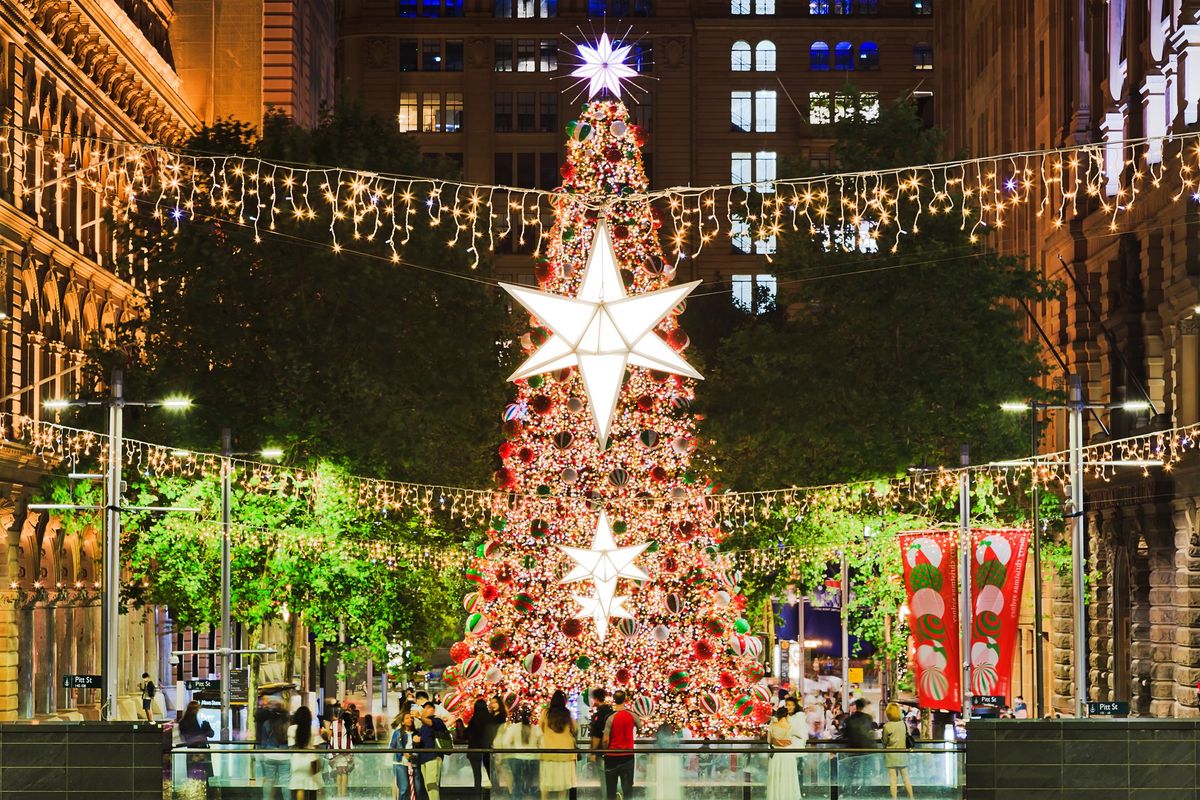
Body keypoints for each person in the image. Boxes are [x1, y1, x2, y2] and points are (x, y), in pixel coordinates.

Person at [496, 705, 540, 800]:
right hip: (533, 759)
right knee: (530, 783)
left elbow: (505, 742)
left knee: (517, 782)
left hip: (516, 759)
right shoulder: (536, 729)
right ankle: (529, 794)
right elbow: (542, 744)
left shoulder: (514, 728)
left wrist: (511, 751)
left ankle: (517, 797)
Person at [539, 690, 577, 800]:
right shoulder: (568, 714)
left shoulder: (546, 713)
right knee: (563, 787)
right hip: (566, 753)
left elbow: (540, 728)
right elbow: (575, 729)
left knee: (546, 784)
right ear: (564, 701)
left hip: (548, 752)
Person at [601, 690, 636, 800]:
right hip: (628, 756)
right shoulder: (632, 715)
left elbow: (605, 740)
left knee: (611, 790)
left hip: (612, 757)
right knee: (628, 791)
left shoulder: (610, 717)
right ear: (625, 699)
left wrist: (604, 751)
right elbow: (639, 726)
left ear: (614, 700)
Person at [255, 698, 292, 800]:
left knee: (269, 781)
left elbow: (263, 741)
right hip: (285, 756)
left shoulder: (267, 723)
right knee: (285, 782)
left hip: (269, 755)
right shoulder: (288, 724)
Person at [415, 701, 451, 800]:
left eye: (427, 708)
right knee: (428, 785)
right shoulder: (423, 725)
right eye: (424, 708)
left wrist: (419, 717)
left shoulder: (437, 721)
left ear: (433, 710)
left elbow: (431, 723)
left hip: (433, 756)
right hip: (424, 758)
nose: (424, 711)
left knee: (432, 784)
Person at [880, 703, 914, 800]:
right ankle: (912, 798)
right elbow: (908, 736)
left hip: (891, 755)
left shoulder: (887, 726)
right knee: (906, 778)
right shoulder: (904, 724)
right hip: (902, 754)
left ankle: (894, 799)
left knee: (893, 780)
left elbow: (885, 741)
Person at [289, 705, 324, 800]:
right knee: (312, 786)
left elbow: (291, 746)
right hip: (311, 760)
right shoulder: (313, 729)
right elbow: (317, 745)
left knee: (300, 787)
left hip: (297, 761)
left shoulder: (291, 729)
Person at [767, 707, 801, 800]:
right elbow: (801, 736)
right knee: (788, 777)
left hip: (776, 754)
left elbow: (768, 740)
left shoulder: (772, 726)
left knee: (776, 777)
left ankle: (776, 797)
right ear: (786, 715)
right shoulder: (791, 726)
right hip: (788, 754)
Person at [467, 697, 498, 797]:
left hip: (474, 749)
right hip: (487, 749)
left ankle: (477, 796)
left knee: (477, 776)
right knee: (492, 775)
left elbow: (468, 734)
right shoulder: (490, 720)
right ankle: (495, 795)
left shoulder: (473, 721)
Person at [178, 700, 215, 781]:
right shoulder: (187, 722)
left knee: (195, 775)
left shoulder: (185, 722)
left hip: (194, 751)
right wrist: (201, 735)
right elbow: (211, 734)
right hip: (199, 750)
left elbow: (184, 738)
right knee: (202, 775)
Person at [587, 688, 614, 798]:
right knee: (611, 779)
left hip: (601, 751)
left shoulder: (599, 715)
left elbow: (597, 735)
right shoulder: (611, 712)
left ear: (596, 699)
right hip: (612, 750)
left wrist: (593, 752)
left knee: (604, 780)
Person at [646, 722, 681, 800]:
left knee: (661, 779)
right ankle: (672, 796)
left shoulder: (659, 735)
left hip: (661, 758)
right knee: (671, 780)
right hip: (672, 759)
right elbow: (677, 744)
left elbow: (657, 745)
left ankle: (661, 796)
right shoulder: (673, 736)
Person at [328, 703, 357, 799]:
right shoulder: (349, 724)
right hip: (346, 751)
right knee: (344, 772)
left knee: (338, 772)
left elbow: (329, 737)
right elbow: (354, 737)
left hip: (336, 751)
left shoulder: (333, 724)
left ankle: (339, 794)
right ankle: (343, 795)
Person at [390, 712, 420, 800]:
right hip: (401, 763)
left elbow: (421, 748)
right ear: (402, 722)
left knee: (417, 788)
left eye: (411, 718)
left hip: (415, 763)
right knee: (404, 788)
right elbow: (392, 746)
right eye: (407, 718)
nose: (410, 720)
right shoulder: (397, 733)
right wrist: (403, 753)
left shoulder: (417, 733)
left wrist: (417, 745)